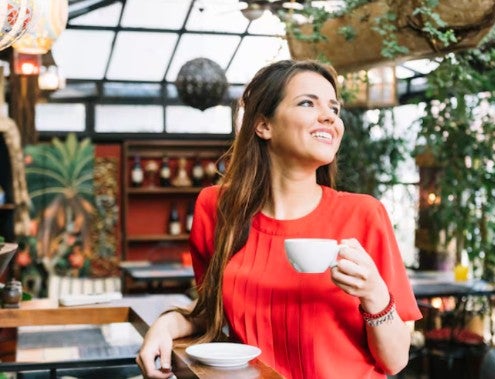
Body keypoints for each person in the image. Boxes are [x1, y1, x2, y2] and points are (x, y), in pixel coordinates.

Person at [136, 59, 422, 379]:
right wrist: (165, 324)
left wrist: (375, 294)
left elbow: (396, 360)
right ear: (264, 125)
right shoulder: (216, 208)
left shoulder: (364, 214)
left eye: (334, 108)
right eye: (307, 103)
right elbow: (211, 312)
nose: (329, 116)